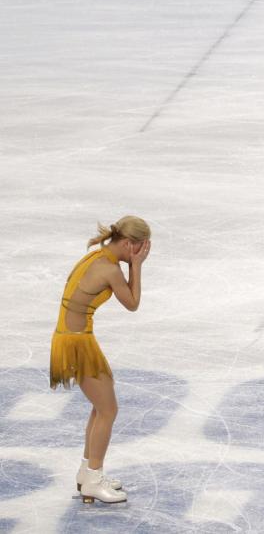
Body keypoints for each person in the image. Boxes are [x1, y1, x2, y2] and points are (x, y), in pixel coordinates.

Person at [50, 216, 151, 504]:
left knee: (102, 406)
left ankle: (87, 473)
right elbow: (132, 304)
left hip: (74, 338)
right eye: (142, 248)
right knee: (108, 410)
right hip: (76, 342)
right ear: (130, 244)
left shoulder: (97, 256)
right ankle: (93, 479)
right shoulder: (109, 269)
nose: (144, 252)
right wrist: (137, 266)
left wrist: (131, 263)